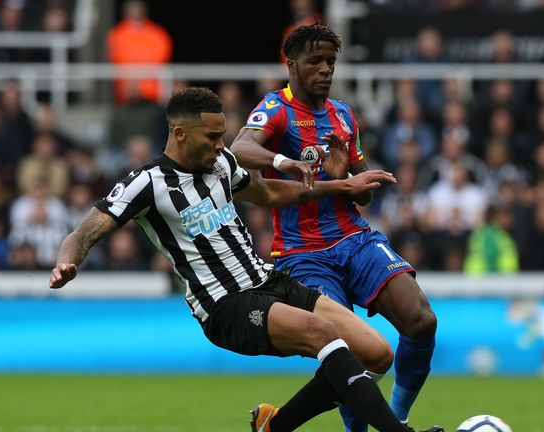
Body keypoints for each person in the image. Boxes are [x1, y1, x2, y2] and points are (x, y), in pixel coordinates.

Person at [49, 88, 442, 432]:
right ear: (180, 133)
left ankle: (277, 425)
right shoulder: (146, 182)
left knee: (377, 353)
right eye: (213, 136)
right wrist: (68, 262)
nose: (222, 144)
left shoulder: (221, 164)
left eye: (223, 135)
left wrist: (339, 185)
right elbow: (83, 233)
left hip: (268, 281)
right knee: (324, 333)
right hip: (225, 305)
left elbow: (268, 193)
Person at [230, 24, 440, 432]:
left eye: (330, 62)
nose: (326, 70)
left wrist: (345, 175)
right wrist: (283, 162)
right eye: (315, 62)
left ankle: (396, 416)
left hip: (355, 239)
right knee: (348, 349)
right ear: (291, 66)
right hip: (303, 254)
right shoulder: (277, 108)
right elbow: (240, 147)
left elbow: (363, 195)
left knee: (421, 321)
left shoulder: (342, 114)